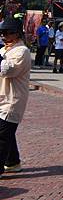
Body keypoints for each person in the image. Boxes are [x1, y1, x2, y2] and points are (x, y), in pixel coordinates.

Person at [0, 16, 31, 176]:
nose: (4, 36)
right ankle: (13, 162)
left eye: (8, 32)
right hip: (1, 97)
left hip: (12, 100)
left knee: (2, 136)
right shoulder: (4, 49)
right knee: (6, 134)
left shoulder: (22, 51)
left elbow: (9, 71)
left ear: (18, 33)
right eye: (2, 32)